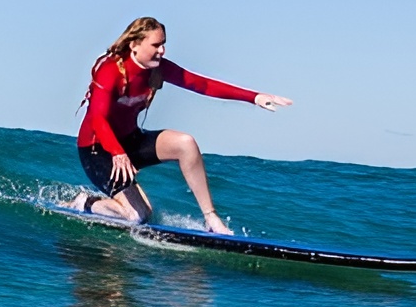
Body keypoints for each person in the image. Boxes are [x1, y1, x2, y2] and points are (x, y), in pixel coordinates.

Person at [73, 16, 291, 235]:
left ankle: (211, 218)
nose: (162, 50)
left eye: (163, 44)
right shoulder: (110, 69)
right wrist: (118, 153)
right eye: (156, 45)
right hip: (98, 149)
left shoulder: (158, 69)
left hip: (130, 140)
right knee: (136, 216)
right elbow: (97, 117)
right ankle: (86, 203)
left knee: (185, 144)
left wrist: (254, 97)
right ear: (134, 44)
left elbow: (203, 84)